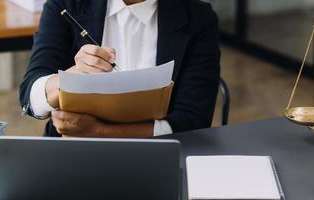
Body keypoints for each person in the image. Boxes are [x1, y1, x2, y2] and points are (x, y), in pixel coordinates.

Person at [19, 0, 220, 138]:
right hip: (69, 155)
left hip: (155, 156)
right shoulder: (66, 4)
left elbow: (194, 121)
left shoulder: (198, 18)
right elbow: (30, 96)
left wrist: (98, 132)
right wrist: (69, 79)